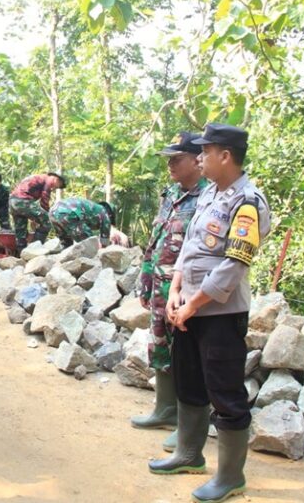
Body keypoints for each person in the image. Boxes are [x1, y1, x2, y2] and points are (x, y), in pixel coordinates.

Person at [148, 124, 271, 503]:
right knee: (189, 382)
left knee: (225, 392)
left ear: (226, 156)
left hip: (218, 314)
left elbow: (233, 267)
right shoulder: (210, 195)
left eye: (206, 151)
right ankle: (188, 454)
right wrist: (176, 287)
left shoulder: (248, 201)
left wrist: (192, 303)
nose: (199, 158)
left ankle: (230, 476)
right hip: (187, 308)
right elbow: (189, 246)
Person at [130, 132, 207, 452]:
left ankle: (186, 424)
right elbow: (156, 240)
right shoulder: (171, 193)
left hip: (189, 291)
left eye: (177, 159)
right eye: (169, 159)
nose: (171, 165)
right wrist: (145, 280)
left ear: (197, 160)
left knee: (187, 356)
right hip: (161, 286)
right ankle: (165, 410)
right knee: (159, 344)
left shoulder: (209, 196)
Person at [9, 172, 66, 253]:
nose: (54, 188)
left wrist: (35, 218)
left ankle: (21, 253)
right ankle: (35, 249)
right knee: (47, 221)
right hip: (23, 201)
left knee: (20, 230)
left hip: (13, 201)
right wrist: (45, 216)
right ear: (57, 180)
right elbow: (44, 200)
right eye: (57, 186)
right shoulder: (49, 180)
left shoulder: (40, 177)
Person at [48, 198, 115, 248]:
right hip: (68, 213)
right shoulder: (105, 213)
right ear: (111, 215)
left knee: (67, 243)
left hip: (52, 212)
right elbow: (105, 237)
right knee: (90, 242)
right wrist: (104, 250)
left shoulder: (94, 208)